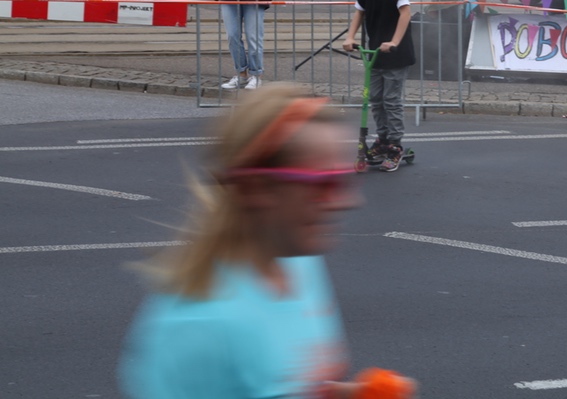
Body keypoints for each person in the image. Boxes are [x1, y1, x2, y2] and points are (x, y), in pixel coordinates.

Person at [118, 83, 415, 398]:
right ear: (256, 188)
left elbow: (289, 384)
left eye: (342, 180)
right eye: (322, 184)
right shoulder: (198, 327)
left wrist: (356, 393)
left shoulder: (298, 261)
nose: (348, 201)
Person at [343, 0, 415, 172]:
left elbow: (405, 14)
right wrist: (350, 37)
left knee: (391, 100)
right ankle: (382, 139)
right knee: (375, 99)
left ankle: (395, 144)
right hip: (374, 53)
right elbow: (359, 13)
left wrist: (394, 41)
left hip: (395, 54)